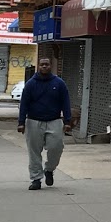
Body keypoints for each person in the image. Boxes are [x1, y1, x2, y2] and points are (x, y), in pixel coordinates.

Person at [17, 55, 72, 190]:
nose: (44, 67)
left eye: (47, 64)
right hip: (34, 121)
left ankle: (49, 170)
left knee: (56, 147)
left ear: (50, 66)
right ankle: (36, 179)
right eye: (42, 65)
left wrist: (67, 121)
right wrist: (21, 122)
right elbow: (24, 103)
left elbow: (65, 102)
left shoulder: (59, 83)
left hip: (54, 120)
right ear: (38, 66)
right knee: (34, 152)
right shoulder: (31, 84)